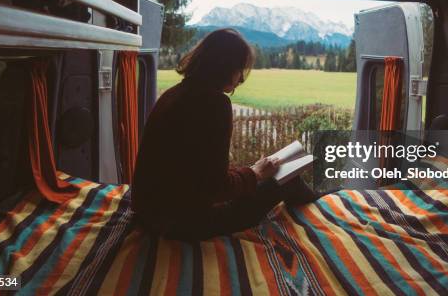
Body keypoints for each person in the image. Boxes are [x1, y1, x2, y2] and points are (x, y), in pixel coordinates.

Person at [132, 28, 318, 240]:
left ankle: (314, 201)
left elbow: (198, 169)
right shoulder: (214, 104)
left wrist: (249, 172)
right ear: (226, 67)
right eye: (240, 69)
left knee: (271, 174)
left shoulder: (174, 94)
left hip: (151, 214)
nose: (240, 79)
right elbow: (216, 187)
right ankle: (319, 208)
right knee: (289, 179)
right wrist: (254, 174)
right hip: (178, 222)